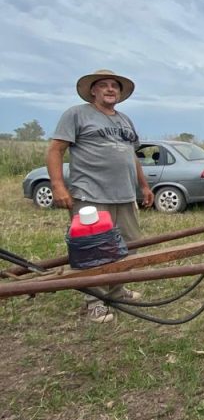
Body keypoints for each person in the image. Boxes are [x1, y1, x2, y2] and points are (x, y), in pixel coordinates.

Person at [47, 68, 154, 323]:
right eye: (104, 85)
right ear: (93, 91)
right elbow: (55, 150)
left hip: (125, 194)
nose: (110, 89)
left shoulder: (125, 120)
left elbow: (132, 156)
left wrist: (144, 186)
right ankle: (94, 302)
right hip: (91, 192)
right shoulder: (77, 114)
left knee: (129, 246)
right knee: (93, 250)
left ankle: (117, 291)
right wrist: (58, 186)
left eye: (114, 86)